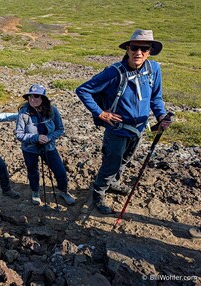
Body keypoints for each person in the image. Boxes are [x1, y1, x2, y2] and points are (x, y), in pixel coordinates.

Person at [75, 29, 172, 214]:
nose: (139, 53)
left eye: (144, 49)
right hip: (117, 129)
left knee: (125, 159)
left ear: (150, 51)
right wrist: (100, 113)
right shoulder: (114, 72)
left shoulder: (154, 69)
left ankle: (113, 183)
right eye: (135, 48)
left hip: (139, 128)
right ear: (127, 49)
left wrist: (161, 116)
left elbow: (156, 98)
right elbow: (83, 90)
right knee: (111, 162)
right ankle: (99, 192)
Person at [15, 84, 76, 206]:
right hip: (29, 149)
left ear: (43, 98)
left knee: (60, 171)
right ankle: (35, 191)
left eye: (36, 96)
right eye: (30, 96)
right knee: (33, 171)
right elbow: (18, 134)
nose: (32, 99)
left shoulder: (52, 110)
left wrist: (49, 138)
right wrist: (36, 138)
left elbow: (60, 129)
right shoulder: (23, 112)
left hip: (49, 147)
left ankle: (64, 191)